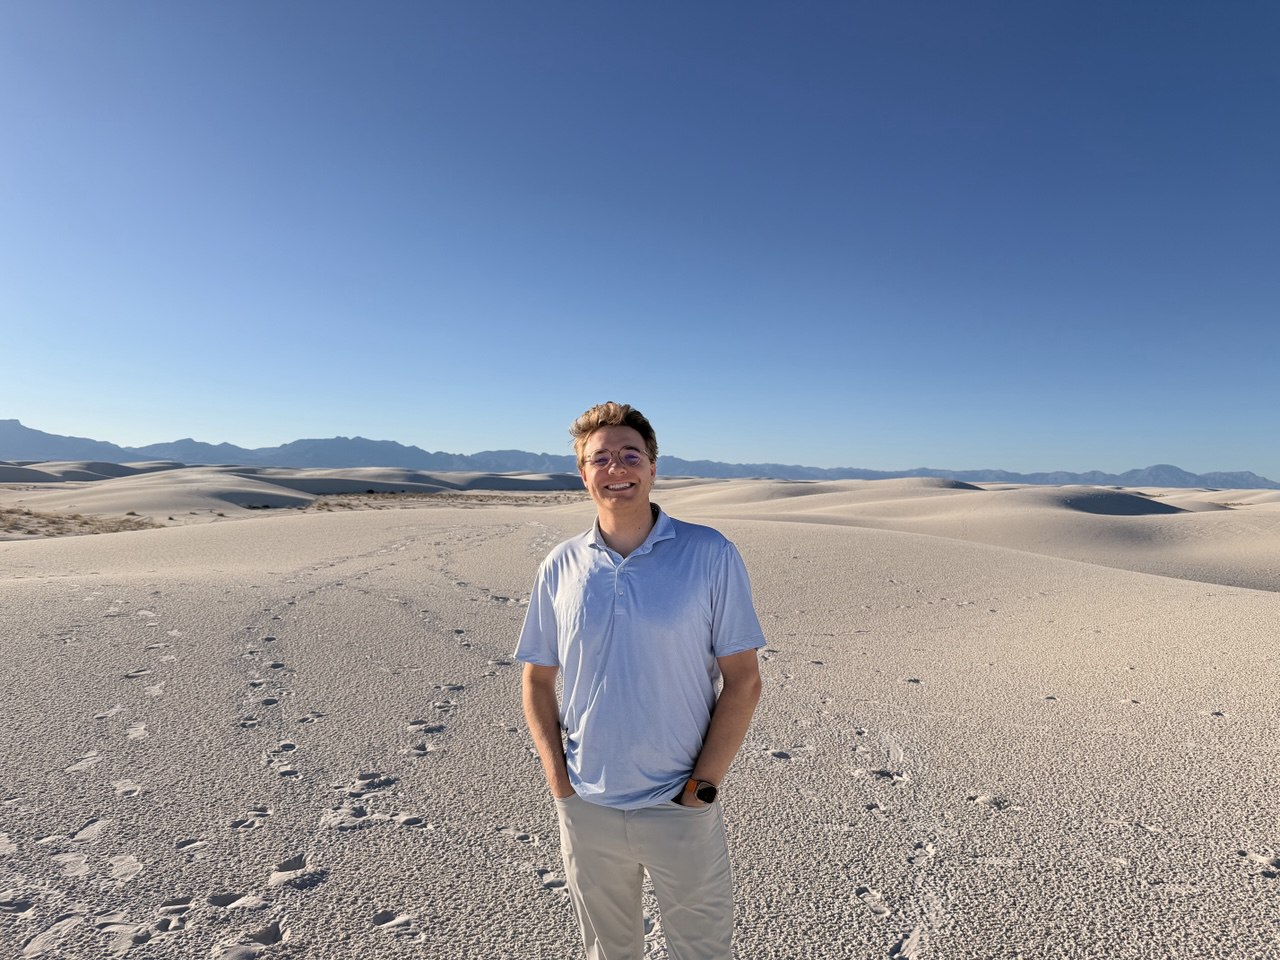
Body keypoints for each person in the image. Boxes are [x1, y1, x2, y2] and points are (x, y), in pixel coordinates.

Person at [515, 401, 765, 960]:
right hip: (588, 807)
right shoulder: (560, 564)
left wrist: (700, 791)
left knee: (702, 952)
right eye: (599, 457)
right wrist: (562, 788)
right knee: (609, 953)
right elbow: (536, 681)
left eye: (630, 454)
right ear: (583, 473)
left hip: (679, 807)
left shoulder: (709, 553)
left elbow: (744, 681)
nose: (615, 468)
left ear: (652, 467)